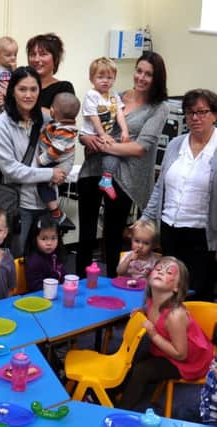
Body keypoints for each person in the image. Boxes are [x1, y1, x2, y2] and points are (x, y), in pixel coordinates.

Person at [77, 51, 169, 278]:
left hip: (125, 178)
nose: (141, 77)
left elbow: (140, 147)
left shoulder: (159, 108)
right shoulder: (113, 96)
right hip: (93, 169)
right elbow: (88, 126)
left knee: (113, 235)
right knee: (87, 235)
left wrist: (104, 145)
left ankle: (111, 287)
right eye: (139, 71)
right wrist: (85, 138)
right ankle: (78, 284)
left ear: (157, 78)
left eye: (148, 74)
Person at [141, 88, 217, 302]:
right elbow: (160, 187)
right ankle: (166, 334)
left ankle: (193, 336)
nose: (195, 117)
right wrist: (145, 220)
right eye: (190, 112)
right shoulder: (176, 145)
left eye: (202, 112)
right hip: (170, 230)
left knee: (196, 296)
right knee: (168, 292)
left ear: (214, 115)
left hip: (203, 237)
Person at [119, 257, 214, 410]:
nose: (161, 272)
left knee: (142, 371)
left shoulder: (175, 316)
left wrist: (153, 333)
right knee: (129, 361)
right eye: (158, 269)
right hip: (165, 349)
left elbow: (181, 354)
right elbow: (154, 316)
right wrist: (142, 312)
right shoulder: (151, 301)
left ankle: (121, 411)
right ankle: (104, 394)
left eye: (168, 272)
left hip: (189, 361)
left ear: (176, 287)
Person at [0, 66, 67, 257]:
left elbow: (66, 143)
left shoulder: (47, 119)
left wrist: (63, 170)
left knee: (47, 258)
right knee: (17, 257)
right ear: (12, 91)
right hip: (19, 204)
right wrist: (50, 174)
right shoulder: (2, 124)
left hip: (47, 201)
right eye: (22, 89)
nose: (28, 95)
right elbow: (10, 169)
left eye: (33, 89)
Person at [81, 57, 130, 200]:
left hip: (106, 135)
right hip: (92, 135)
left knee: (115, 153)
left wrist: (125, 131)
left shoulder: (114, 95)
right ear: (92, 78)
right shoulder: (92, 95)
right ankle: (104, 180)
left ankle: (106, 180)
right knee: (111, 152)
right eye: (100, 77)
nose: (105, 81)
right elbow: (93, 117)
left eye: (110, 77)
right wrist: (102, 134)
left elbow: (119, 113)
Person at [35, 92, 80, 225]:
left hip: (59, 161)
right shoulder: (59, 124)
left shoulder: (65, 130)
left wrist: (41, 160)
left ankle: (56, 211)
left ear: (52, 111)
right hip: (58, 161)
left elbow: (56, 150)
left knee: (44, 184)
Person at [25, 33, 75, 113]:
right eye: (32, 54)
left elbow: (64, 119)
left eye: (43, 54)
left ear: (55, 58)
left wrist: (22, 105)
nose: (36, 59)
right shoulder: (20, 85)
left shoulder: (64, 88)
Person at [24, 214, 66, 292]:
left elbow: (62, 274)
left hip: (56, 292)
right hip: (40, 297)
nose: (49, 243)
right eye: (44, 239)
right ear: (35, 239)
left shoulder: (56, 254)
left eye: (53, 238)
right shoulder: (34, 261)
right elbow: (35, 287)